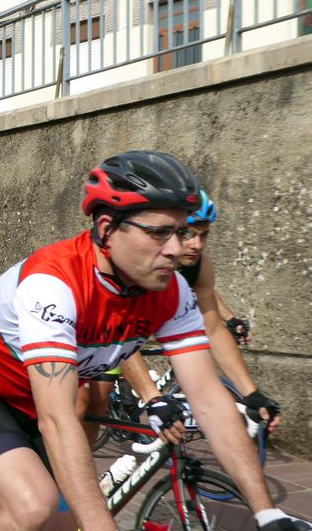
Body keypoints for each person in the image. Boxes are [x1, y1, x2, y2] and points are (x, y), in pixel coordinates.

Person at [0, 150, 310, 531]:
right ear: (107, 228)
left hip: (40, 396)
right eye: (159, 232)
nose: (177, 249)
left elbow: (209, 399)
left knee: (66, 518)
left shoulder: (170, 290)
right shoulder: (53, 285)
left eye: (181, 231)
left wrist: (267, 514)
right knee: (36, 507)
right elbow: (58, 420)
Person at [77, 189, 283, 446]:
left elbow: (213, 329)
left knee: (97, 408)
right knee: (83, 406)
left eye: (204, 235)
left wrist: (251, 394)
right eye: (188, 233)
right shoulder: (139, 266)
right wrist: (153, 398)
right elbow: (122, 337)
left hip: (127, 332)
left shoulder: (198, 265)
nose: (197, 245)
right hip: (93, 334)